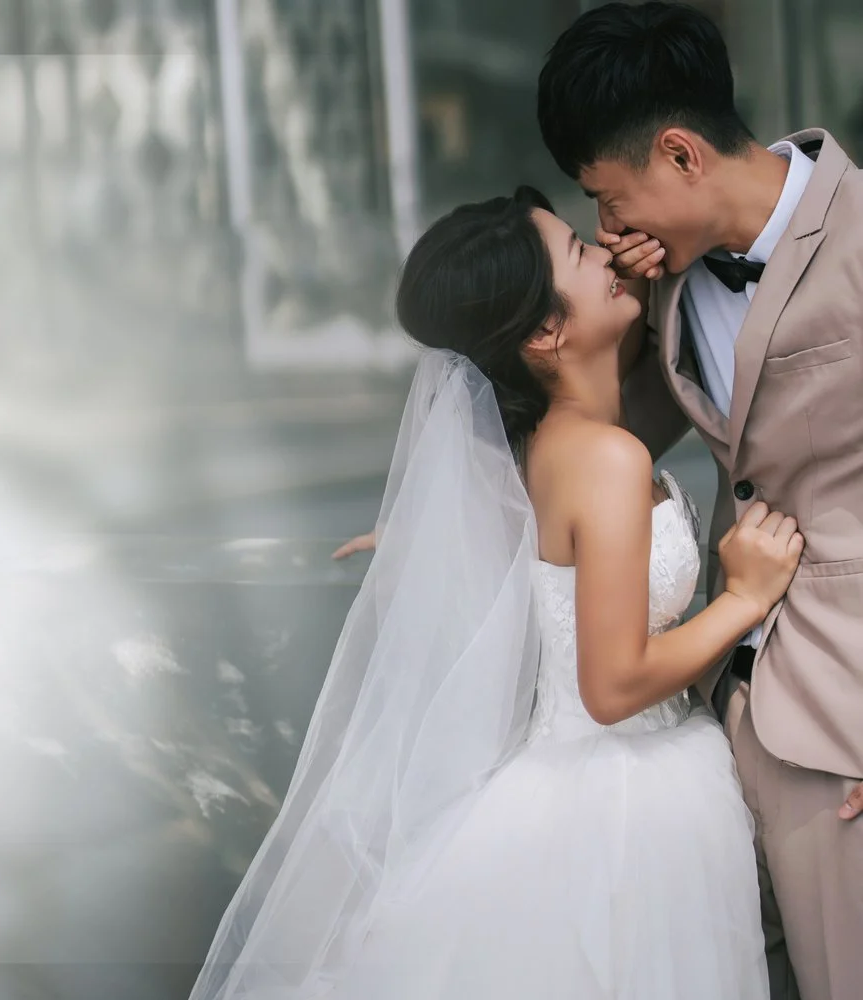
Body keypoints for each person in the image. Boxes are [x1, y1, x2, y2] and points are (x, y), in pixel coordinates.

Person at [195, 186, 798, 998]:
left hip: (569, 780)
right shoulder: (607, 460)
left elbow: (508, 533)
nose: (607, 252)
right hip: (627, 801)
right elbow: (613, 685)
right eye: (582, 254)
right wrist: (743, 599)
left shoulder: (542, 444)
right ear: (548, 331)